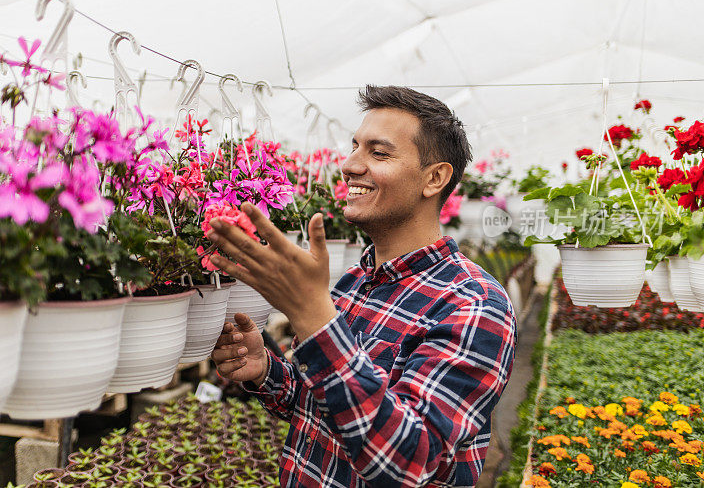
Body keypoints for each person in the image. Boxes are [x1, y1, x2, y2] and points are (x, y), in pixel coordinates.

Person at [205, 85, 517, 487]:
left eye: (379, 152)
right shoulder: (354, 281)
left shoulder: (475, 306)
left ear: (435, 178)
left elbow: (407, 462)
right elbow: (328, 407)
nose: (350, 165)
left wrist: (314, 318)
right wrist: (267, 371)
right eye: (354, 147)